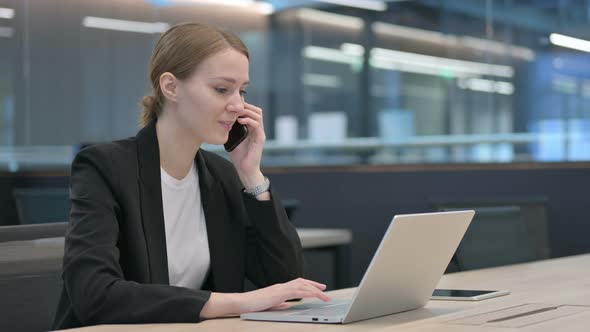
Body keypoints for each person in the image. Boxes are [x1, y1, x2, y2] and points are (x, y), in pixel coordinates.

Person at [52, 22, 330, 330]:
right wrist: (241, 302)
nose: (238, 105)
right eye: (222, 89)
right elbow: (94, 295)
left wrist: (251, 175)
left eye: (242, 91)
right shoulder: (105, 167)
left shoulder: (221, 175)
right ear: (170, 87)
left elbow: (285, 282)